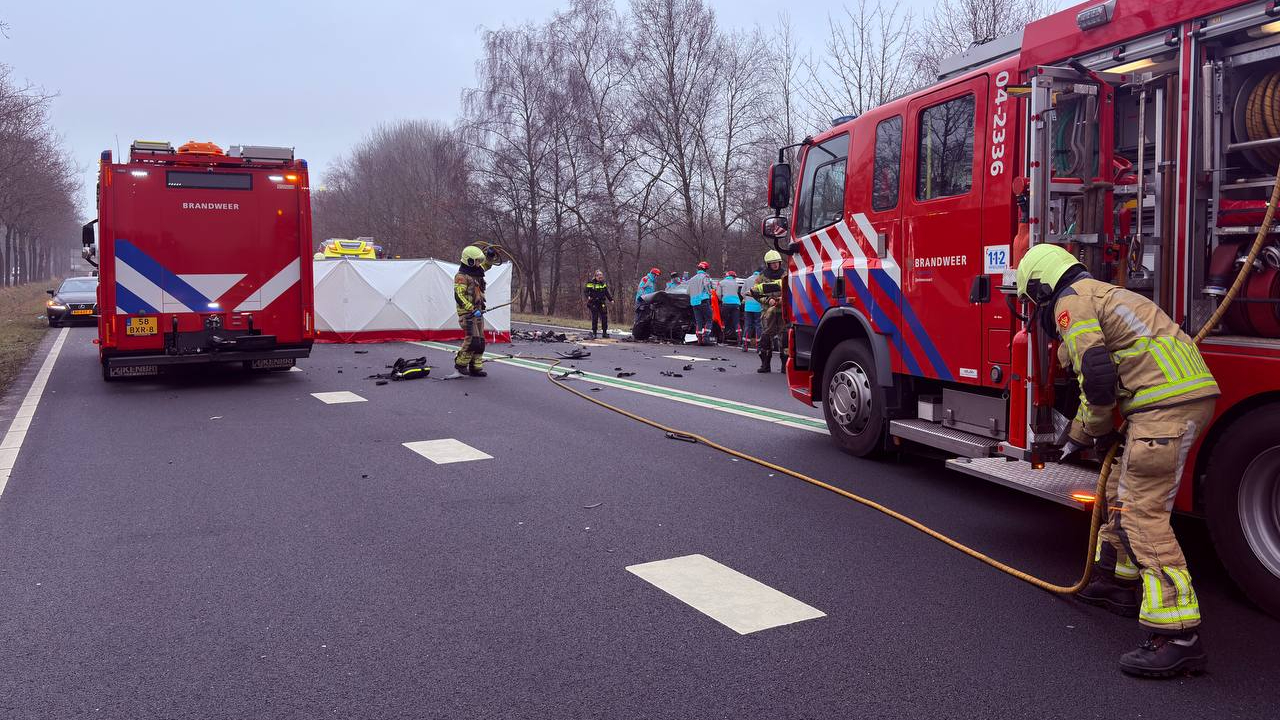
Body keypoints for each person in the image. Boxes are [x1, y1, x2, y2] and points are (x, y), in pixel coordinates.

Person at [1015, 243, 1219, 678]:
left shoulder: (1072, 302)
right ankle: (1118, 581)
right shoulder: (1105, 293)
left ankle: (1178, 636)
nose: (1038, 314)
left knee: (1144, 514)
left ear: (1041, 287)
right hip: (1169, 402)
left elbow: (1098, 376)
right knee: (1116, 491)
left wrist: (1078, 435)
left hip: (1164, 408)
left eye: (1033, 303)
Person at [452, 244, 493, 378]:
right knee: (472, 340)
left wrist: (490, 256)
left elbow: (486, 265)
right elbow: (459, 295)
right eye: (476, 261)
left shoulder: (476, 271)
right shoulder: (461, 277)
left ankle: (476, 367)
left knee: (480, 341)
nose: (479, 264)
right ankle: (460, 365)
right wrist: (471, 308)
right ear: (469, 261)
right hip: (468, 314)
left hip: (478, 312)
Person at [752, 251, 787, 372]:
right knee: (766, 337)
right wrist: (767, 300)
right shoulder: (761, 277)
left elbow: (792, 290)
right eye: (772, 263)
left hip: (783, 311)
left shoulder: (786, 275)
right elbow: (755, 293)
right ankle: (765, 365)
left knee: (786, 338)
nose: (775, 265)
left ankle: (785, 366)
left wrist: (784, 299)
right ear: (768, 264)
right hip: (768, 312)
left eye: (777, 262)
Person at [686, 261, 714, 344]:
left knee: (699, 321)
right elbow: (707, 286)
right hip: (703, 300)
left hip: (694, 302)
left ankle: (699, 339)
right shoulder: (705, 277)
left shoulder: (692, 278)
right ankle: (705, 338)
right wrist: (710, 292)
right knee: (709, 319)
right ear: (705, 269)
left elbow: (688, 292)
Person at [583, 270, 613, 338]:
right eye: (599, 276)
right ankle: (594, 333)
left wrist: (611, 300)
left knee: (604, 317)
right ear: (595, 276)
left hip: (602, 302)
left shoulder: (603, 283)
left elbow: (606, 292)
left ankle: (604, 333)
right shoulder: (590, 283)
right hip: (593, 302)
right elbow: (585, 291)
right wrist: (588, 296)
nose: (600, 277)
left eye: (601, 276)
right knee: (595, 317)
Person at [717, 271, 743, 346]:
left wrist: (721, 300)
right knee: (736, 322)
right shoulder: (736, 283)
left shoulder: (721, 282)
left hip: (726, 303)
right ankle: (739, 339)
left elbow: (718, 294)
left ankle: (722, 338)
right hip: (736, 304)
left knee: (723, 320)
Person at [741, 268, 763, 353]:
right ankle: (758, 346)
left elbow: (743, 292)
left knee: (748, 325)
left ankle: (745, 345)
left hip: (748, 307)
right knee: (758, 326)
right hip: (758, 306)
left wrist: (746, 299)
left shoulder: (747, 280)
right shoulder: (760, 280)